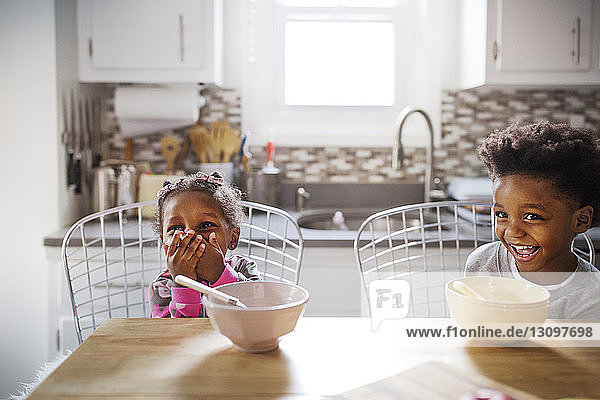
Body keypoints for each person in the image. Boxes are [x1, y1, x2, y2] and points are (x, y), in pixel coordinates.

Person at [465, 121, 600, 319]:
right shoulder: (483, 264)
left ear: (580, 220)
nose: (512, 232)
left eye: (532, 216)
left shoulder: (591, 297)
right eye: (502, 215)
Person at [149, 170, 261, 318]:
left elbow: (258, 314)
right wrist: (184, 285)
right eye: (176, 228)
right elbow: (173, 336)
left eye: (205, 225)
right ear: (165, 245)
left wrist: (220, 274)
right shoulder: (162, 286)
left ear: (233, 236)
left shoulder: (244, 268)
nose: (189, 235)